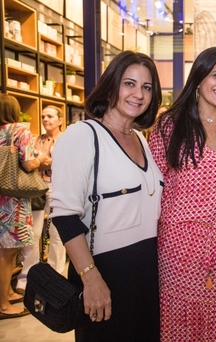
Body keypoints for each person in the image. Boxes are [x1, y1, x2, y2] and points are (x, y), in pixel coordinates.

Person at [49, 50, 163, 341]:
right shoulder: (81, 137)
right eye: (129, 83)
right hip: (104, 272)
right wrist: (90, 276)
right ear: (112, 84)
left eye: (146, 87)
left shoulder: (139, 137)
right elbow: (64, 216)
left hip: (146, 272)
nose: (138, 93)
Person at [149, 46, 216, 341]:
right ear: (199, 78)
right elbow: (151, 191)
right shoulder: (169, 126)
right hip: (179, 247)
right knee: (183, 324)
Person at [16, 105, 66, 293]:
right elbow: (29, 162)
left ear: (60, 120)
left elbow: (66, 163)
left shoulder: (66, 139)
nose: (46, 119)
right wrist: (42, 161)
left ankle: (56, 276)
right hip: (36, 188)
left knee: (57, 233)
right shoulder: (36, 139)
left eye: (51, 116)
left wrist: (43, 160)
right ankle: (26, 278)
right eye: (43, 116)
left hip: (57, 188)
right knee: (33, 234)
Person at [0, 94, 40, 319]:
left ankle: (6, 291)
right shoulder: (19, 130)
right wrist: (39, 158)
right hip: (11, 198)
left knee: (3, 250)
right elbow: (29, 162)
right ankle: (3, 305)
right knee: (7, 252)